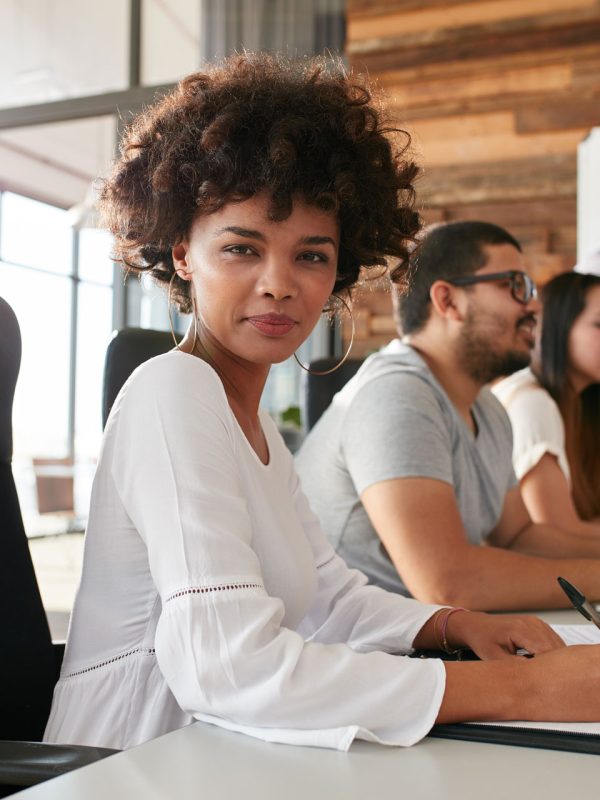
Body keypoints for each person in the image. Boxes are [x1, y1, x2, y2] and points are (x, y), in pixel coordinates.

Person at [44, 55, 600, 753]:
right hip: (135, 761)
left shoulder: (258, 428)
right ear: (184, 251)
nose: (279, 284)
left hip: (229, 750)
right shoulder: (171, 391)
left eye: (311, 256)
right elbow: (228, 667)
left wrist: (452, 625)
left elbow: (328, 596)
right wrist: (530, 689)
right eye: (242, 248)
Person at [296, 221, 600, 612]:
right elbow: (448, 583)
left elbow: (519, 535)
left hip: (423, 638)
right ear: (449, 301)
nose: (535, 306)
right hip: (353, 650)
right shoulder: (396, 395)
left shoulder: (487, 408)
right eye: (515, 285)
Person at [493, 271, 600, 536]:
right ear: (557, 328)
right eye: (599, 325)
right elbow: (557, 534)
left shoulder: (580, 404)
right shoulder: (531, 403)